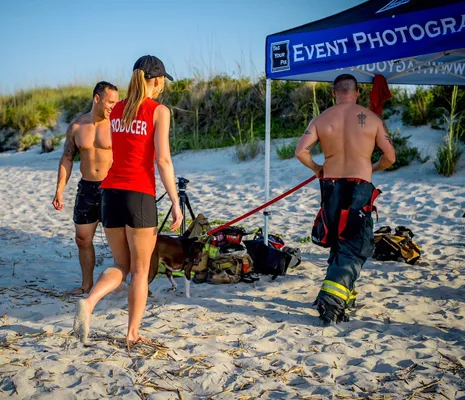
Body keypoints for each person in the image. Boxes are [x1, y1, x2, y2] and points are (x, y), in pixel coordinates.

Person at [73, 55, 183, 346]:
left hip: (109, 193)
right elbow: (162, 159)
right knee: (140, 270)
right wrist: (174, 199)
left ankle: (90, 301)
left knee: (121, 265)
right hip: (139, 195)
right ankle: (132, 333)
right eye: (161, 81)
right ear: (157, 80)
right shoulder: (159, 111)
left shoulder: (116, 109)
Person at [295, 74, 396, 325]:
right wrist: (371, 168)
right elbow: (390, 158)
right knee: (356, 243)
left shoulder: (321, 119)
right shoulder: (372, 119)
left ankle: (342, 292)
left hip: (330, 184)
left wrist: (317, 168)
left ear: (333, 94)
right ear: (358, 92)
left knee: (337, 239)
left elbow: (301, 151)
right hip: (359, 184)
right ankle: (331, 301)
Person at [52, 81, 119, 294]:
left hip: (113, 188)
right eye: (110, 102)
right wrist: (60, 190)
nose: (113, 106)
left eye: (116, 102)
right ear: (97, 99)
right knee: (82, 239)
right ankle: (87, 285)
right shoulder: (77, 127)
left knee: (121, 240)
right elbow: (67, 159)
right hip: (87, 189)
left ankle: (128, 282)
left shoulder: (117, 125)